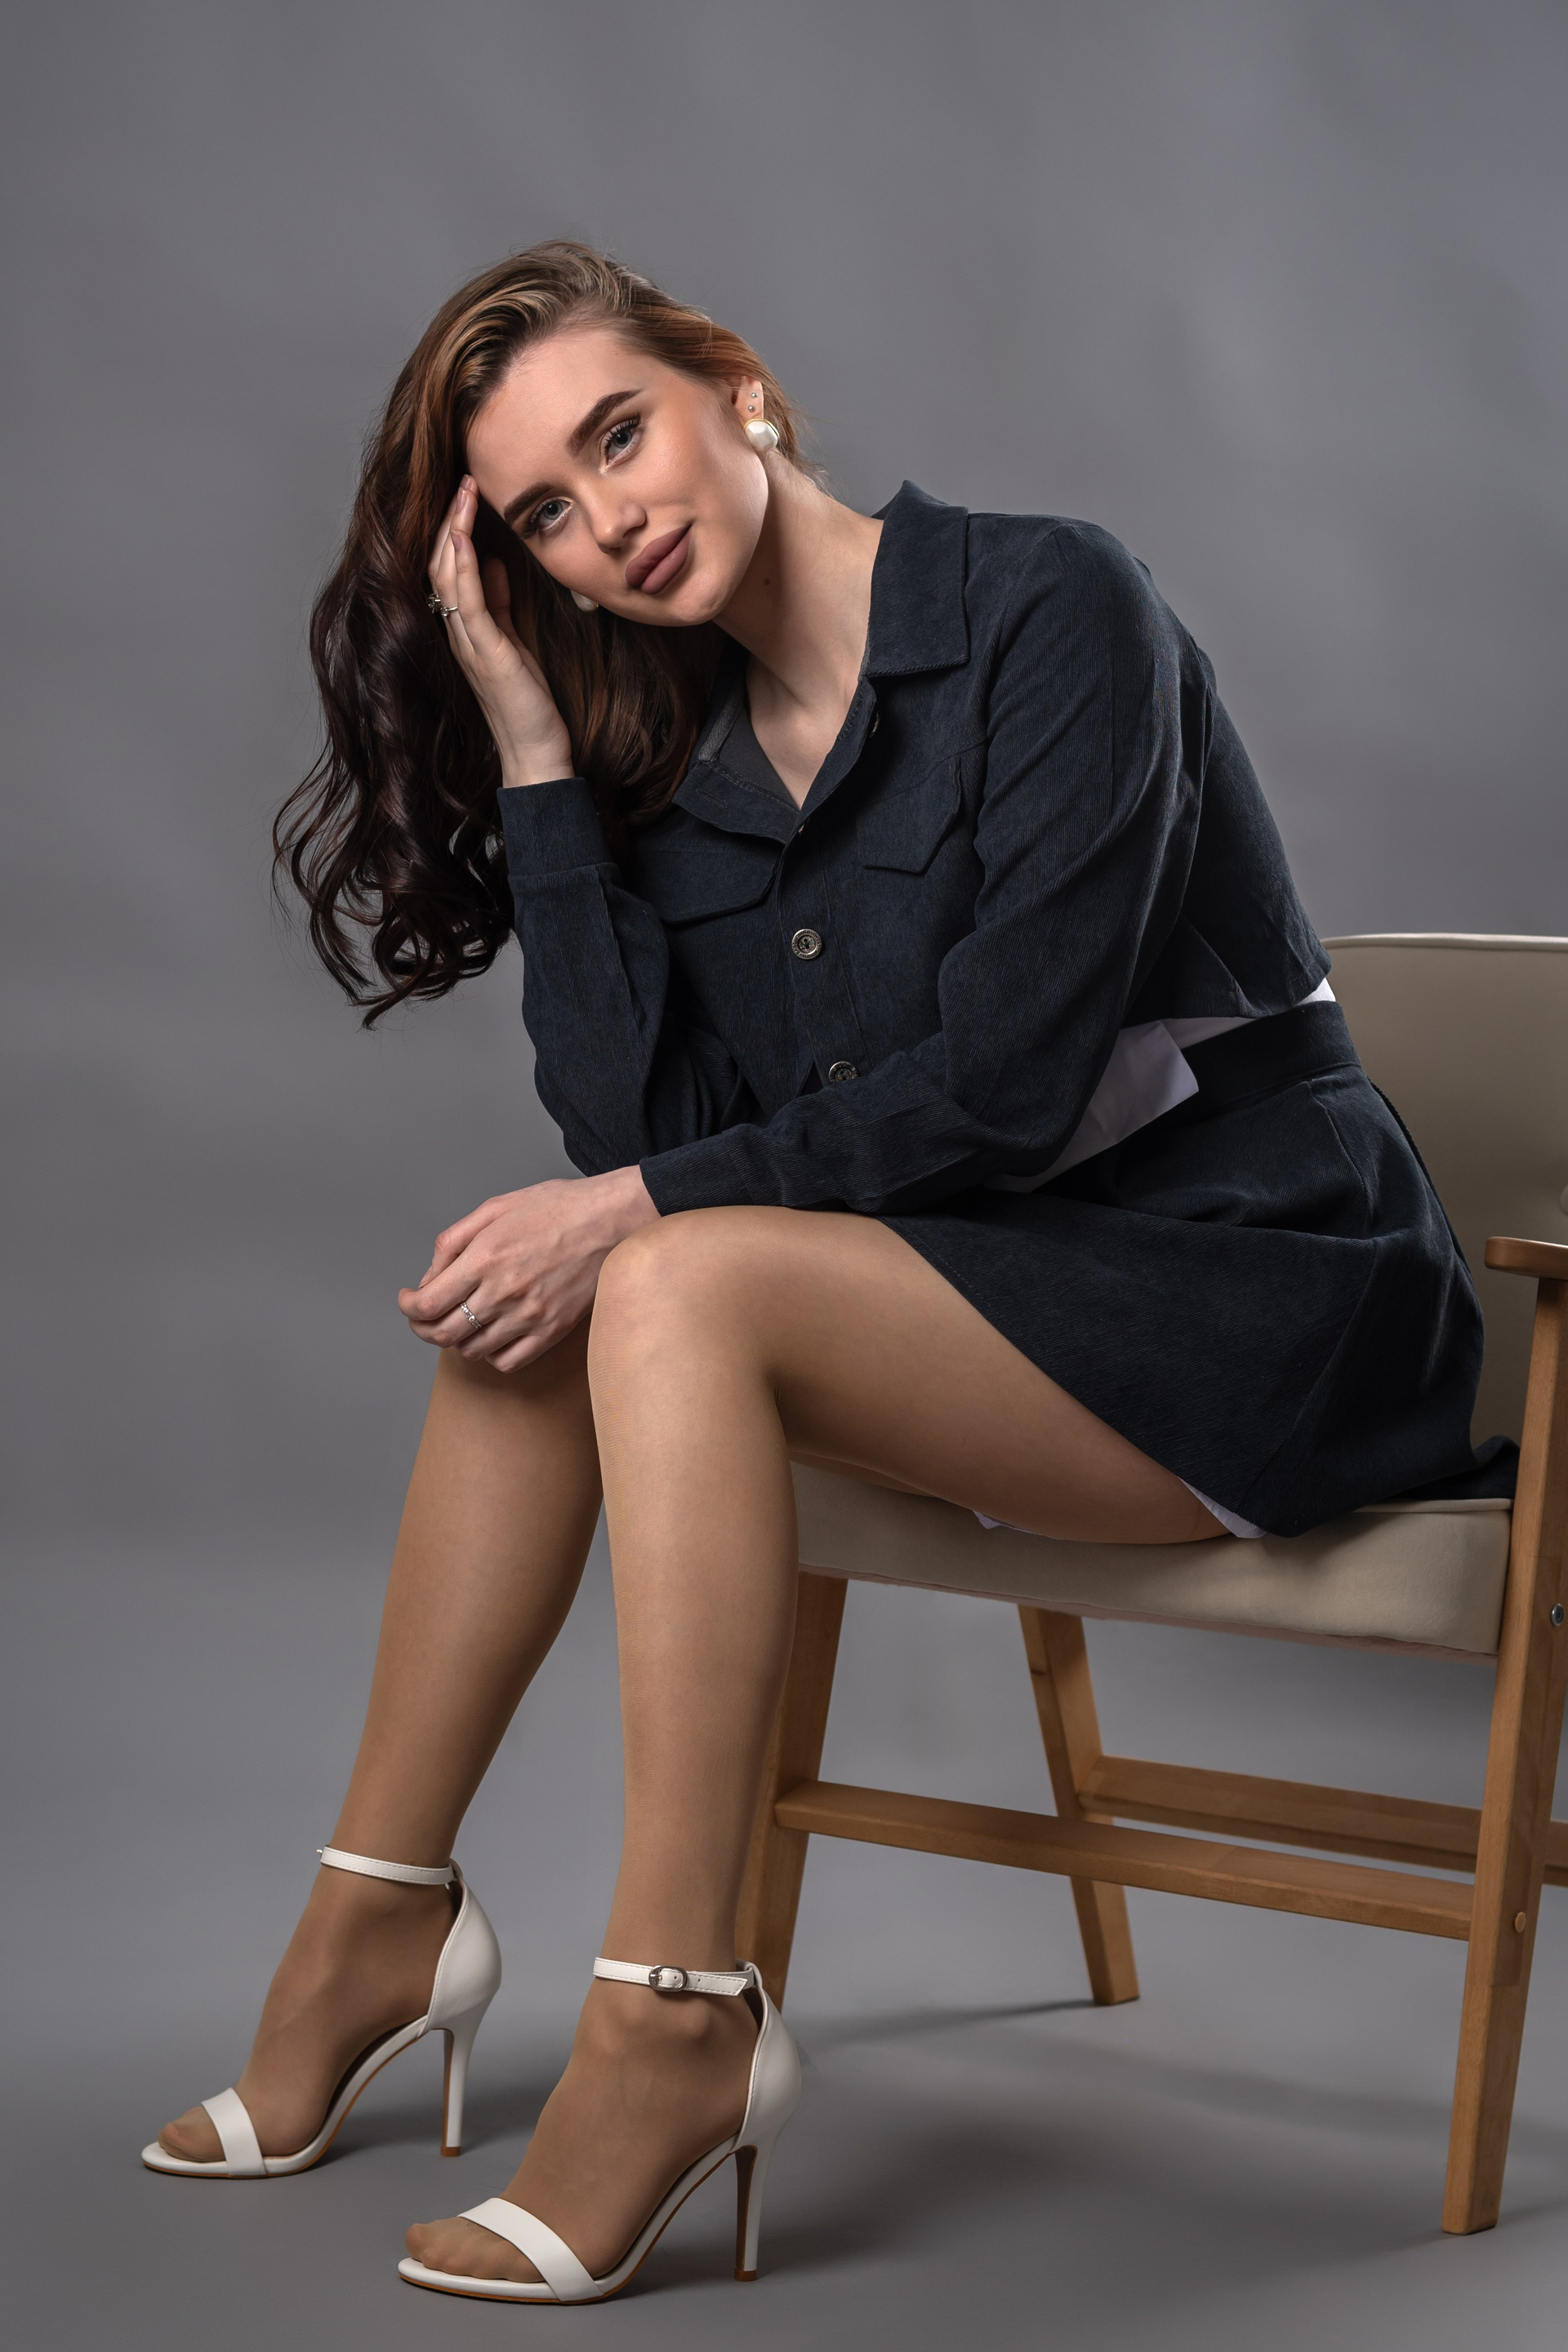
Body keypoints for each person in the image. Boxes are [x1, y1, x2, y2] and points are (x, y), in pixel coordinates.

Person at [140, 240, 1484, 2305]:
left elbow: (1008, 1087)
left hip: (1265, 1308)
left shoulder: (1053, 608)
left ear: (734, 388)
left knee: (652, 1273)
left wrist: (635, 1219)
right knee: (546, 1298)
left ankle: (677, 2014)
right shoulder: (677, 759)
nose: (611, 522)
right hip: (991, 1302)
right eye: (546, 516)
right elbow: (634, 1132)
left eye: (620, 436)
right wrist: (534, 750)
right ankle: (376, 1917)